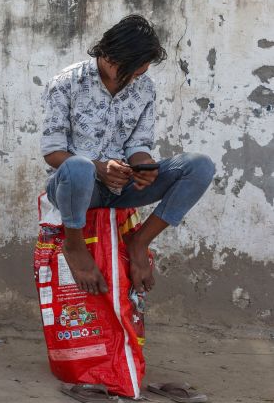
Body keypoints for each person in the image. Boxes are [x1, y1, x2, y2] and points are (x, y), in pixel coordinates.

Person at [41, 15, 215, 295]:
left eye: (141, 73)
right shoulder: (66, 83)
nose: (137, 78)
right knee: (79, 168)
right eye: (132, 71)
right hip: (74, 188)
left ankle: (139, 243)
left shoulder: (144, 88)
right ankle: (74, 245)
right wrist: (98, 168)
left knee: (199, 166)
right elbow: (52, 152)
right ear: (109, 58)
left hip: (122, 186)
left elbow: (138, 145)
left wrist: (144, 166)